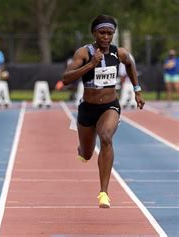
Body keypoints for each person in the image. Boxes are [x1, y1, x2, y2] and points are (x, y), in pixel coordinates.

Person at [62, 15, 145, 208]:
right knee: (88, 153)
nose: (106, 37)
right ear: (94, 33)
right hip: (87, 108)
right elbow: (66, 79)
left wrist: (137, 90)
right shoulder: (84, 52)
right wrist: (90, 65)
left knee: (106, 137)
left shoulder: (119, 53)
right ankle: (82, 149)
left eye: (110, 33)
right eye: (102, 33)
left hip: (110, 106)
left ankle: (104, 193)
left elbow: (130, 63)